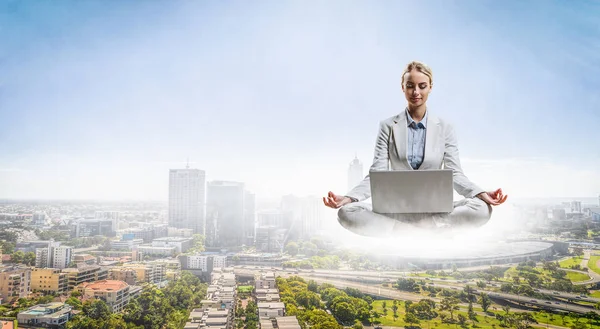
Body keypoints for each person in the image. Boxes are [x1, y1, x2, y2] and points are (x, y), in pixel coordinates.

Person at [323, 60, 507, 237]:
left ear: (430, 87)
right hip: (395, 211)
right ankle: (418, 230)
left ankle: (407, 230)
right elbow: (377, 174)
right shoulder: (388, 126)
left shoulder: (445, 128)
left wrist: (481, 194)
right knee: (346, 213)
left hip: (436, 212)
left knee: (482, 209)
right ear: (403, 87)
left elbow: (455, 174)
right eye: (410, 85)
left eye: (422, 86)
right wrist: (348, 198)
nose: (416, 92)